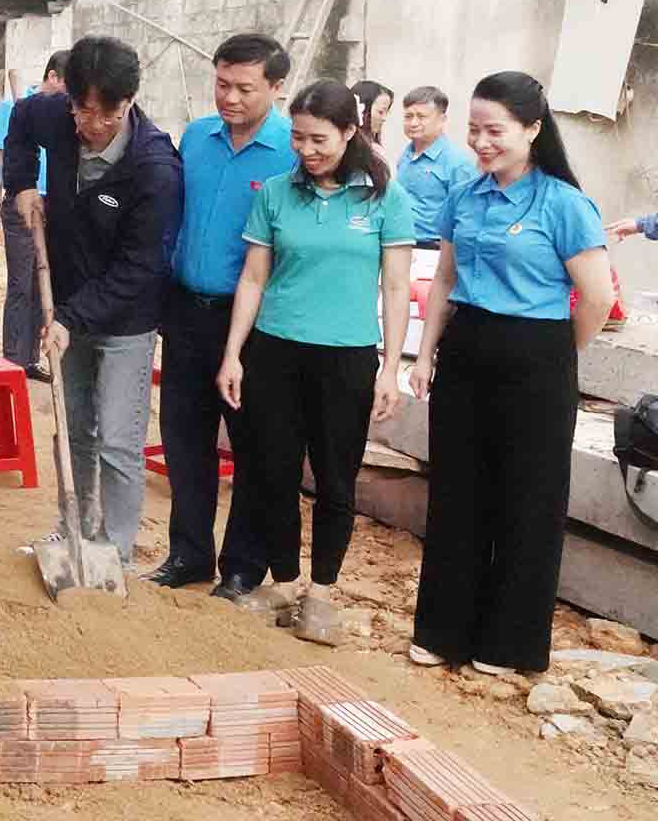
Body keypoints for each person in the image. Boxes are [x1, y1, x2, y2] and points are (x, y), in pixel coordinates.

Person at [408, 72, 614, 675]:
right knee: (456, 492)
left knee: (528, 499)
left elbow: (597, 297)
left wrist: (556, 354)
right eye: (474, 129)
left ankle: (509, 644)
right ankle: (444, 632)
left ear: (532, 129)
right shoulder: (464, 196)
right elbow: (445, 278)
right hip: (466, 350)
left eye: (494, 130)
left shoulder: (564, 204)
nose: (481, 142)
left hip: (538, 356)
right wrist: (426, 354)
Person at [215, 80, 413, 646]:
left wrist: (389, 368)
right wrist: (233, 353)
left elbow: (396, 287)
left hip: (347, 358)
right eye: (298, 138)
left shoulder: (384, 197)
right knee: (273, 471)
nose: (306, 149)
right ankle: (284, 582)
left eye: (318, 139)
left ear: (350, 132)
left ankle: (321, 593)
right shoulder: (277, 193)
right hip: (276, 352)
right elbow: (253, 279)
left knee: (335, 479)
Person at [5, 37, 181, 564]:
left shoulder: (155, 168)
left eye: (108, 113)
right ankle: (73, 531)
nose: (94, 124)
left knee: (119, 442)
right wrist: (21, 184)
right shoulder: (56, 115)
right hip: (67, 304)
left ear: (129, 102)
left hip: (127, 319)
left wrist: (72, 317)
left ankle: (115, 553)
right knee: (75, 428)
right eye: (83, 110)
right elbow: (20, 122)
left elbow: (139, 268)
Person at [148, 34, 297, 596]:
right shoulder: (197, 138)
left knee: (251, 444)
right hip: (187, 311)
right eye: (222, 84)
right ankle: (189, 554)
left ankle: (242, 566)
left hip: (254, 324)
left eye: (245, 88)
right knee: (184, 438)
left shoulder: (292, 152)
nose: (230, 98)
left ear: (276, 88)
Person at [0, 50, 67, 383]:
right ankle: (14, 361)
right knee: (21, 283)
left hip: (52, 205)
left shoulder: (63, 112)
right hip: (21, 202)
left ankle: (30, 357)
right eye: (66, 86)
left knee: (40, 282)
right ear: (52, 77)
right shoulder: (14, 107)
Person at [396, 86, 475, 250]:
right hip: (401, 242)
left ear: (442, 119)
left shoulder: (456, 162)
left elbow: (467, 215)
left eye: (421, 117)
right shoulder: (406, 155)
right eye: (408, 116)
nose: (413, 123)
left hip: (433, 248)